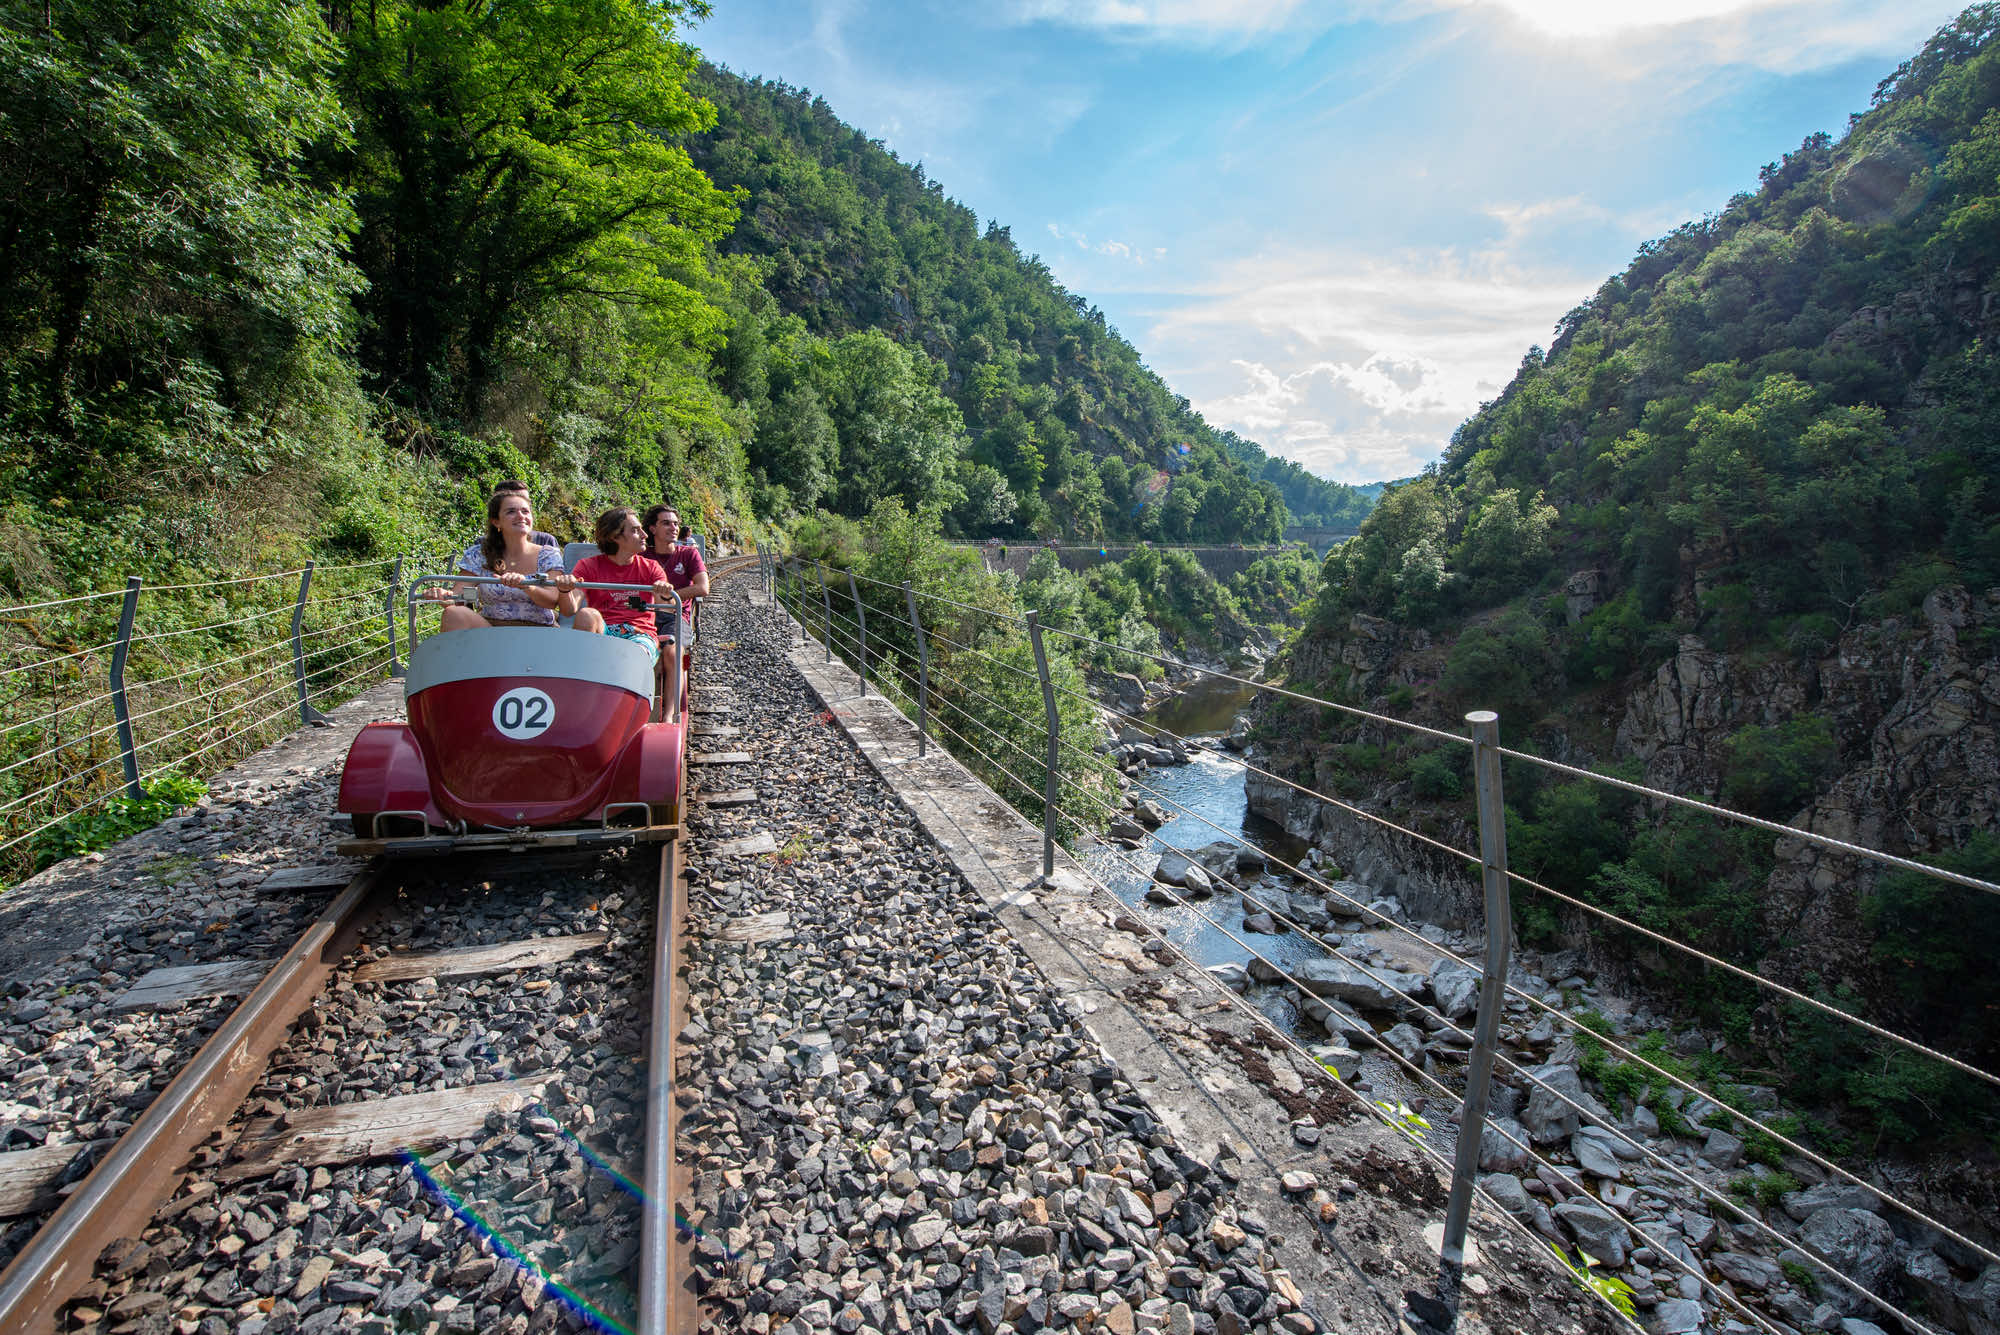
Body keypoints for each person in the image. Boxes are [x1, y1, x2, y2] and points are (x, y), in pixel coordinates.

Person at [434, 490, 596, 631]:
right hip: (491, 628)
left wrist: (526, 586)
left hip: (539, 630)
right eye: (511, 511)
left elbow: (552, 601)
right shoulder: (479, 554)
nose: (521, 516)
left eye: (525, 512)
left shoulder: (547, 555)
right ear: (496, 521)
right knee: (453, 613)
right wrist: (443, 596)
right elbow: (458, 594)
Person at [571, 508, 674, 663]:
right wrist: (566, 589)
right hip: (604, 629)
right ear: (615, 537)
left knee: (635, 653)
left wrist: (664, 592)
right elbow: (569, 608)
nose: (644, 535)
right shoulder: (588, 566)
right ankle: (585, 678)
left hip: (640, 634)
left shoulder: (651, 567)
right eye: (635, 530)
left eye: (642, 530)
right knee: (586, 614)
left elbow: (667, 607)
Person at [492, 479, 561, 550]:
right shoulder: (482, 548)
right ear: (496, 519)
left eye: (526, 503)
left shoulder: (545, 542)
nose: (521, 515)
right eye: (511, 510)